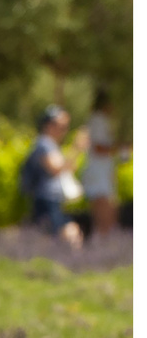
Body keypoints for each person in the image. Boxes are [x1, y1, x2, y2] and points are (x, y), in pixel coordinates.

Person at [19, 104, 85, 248]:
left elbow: (67, 169)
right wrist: (76, 148)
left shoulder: (51, 145)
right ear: (49, 125)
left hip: (53, 199)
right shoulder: (44, 144)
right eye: (61, 126)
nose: (64, 130)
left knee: (61, 233)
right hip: (46, 199)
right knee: (65, 233)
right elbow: (55, 169)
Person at [81, 89, 128, 238]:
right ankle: (104, 246)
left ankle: (104, 245)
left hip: (102, 173)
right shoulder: (98, 120)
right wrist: (121, 147)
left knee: (107, 213)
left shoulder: (103, 121)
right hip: (98, 174)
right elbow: (99, 148)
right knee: (104, 214)